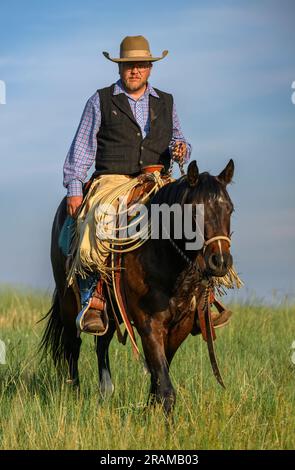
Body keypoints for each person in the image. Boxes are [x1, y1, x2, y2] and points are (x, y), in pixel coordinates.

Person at [63, 35, 230, 335]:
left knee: (190, 221)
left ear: (150, 68)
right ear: (120, 68)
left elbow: (180, 138)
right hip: (113, 180)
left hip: (156, 179)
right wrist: (75, 188)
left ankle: (201, 299)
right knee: (95, 223)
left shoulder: (166, 101)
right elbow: (82, 148)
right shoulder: (100, 100)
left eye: (141, 65)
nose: (135, 71)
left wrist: (181, 148)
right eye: (129, 66)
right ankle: (94, 300)